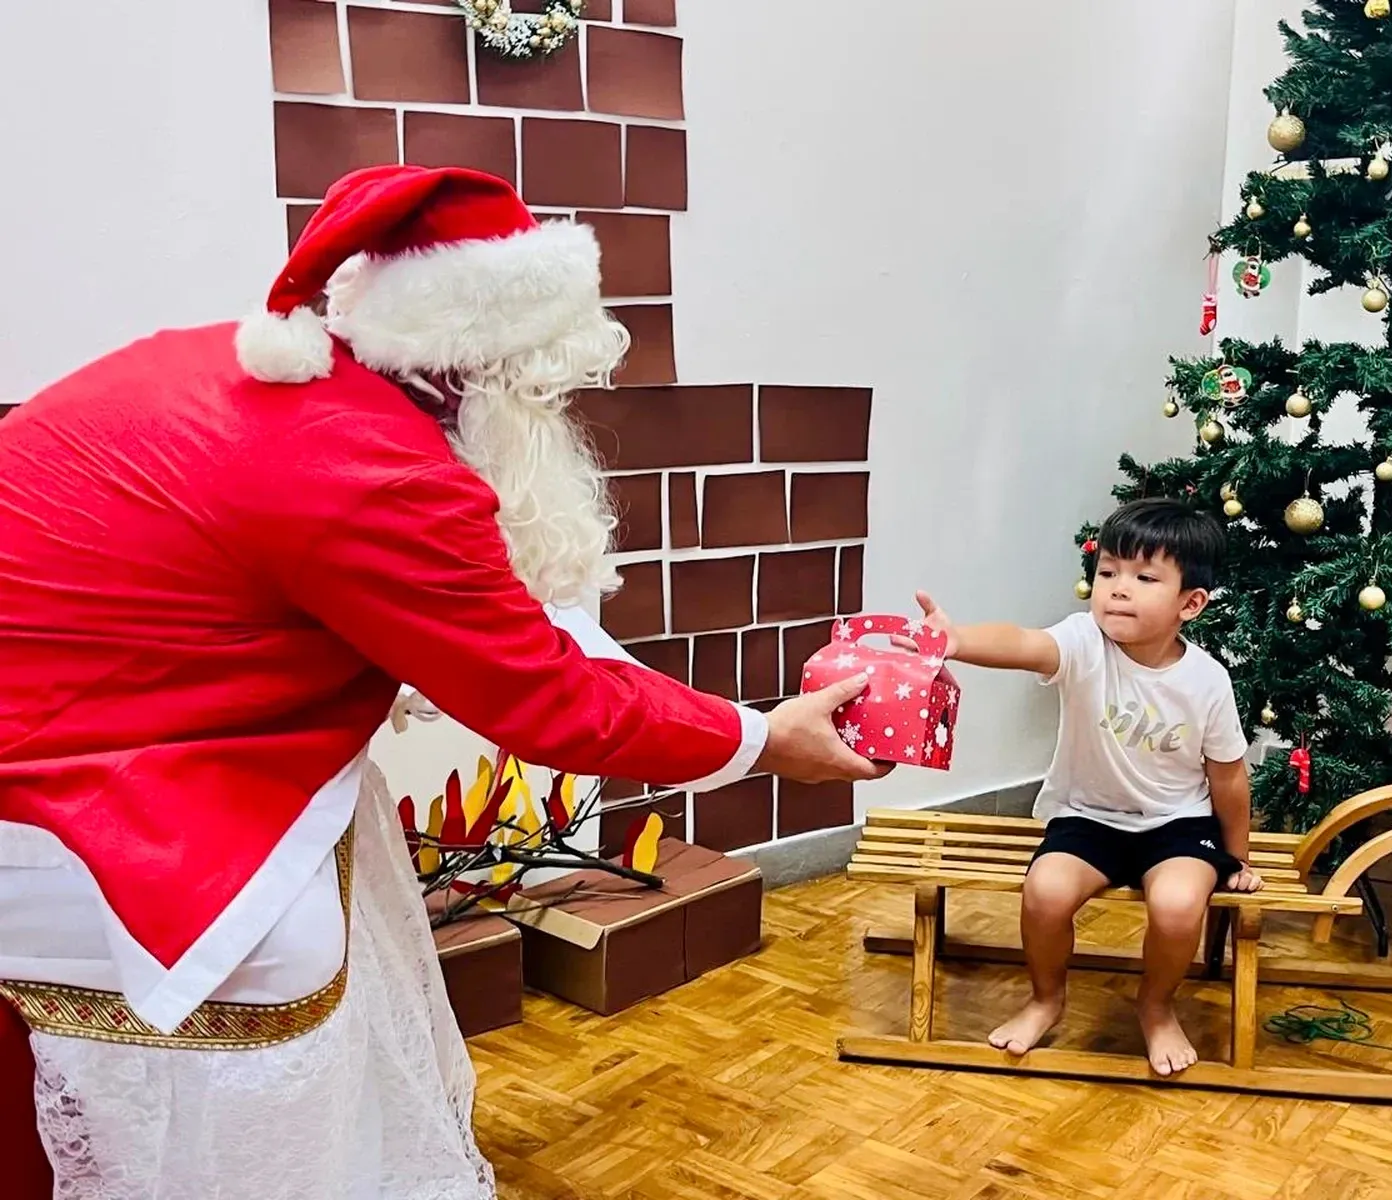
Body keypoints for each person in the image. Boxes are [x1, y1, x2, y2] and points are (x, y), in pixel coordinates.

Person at [0, 164, 885, 1199]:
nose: (557, 420)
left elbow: (516, 626)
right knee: (280, 972)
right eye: (547, 393)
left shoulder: (258, 370)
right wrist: (765, 740)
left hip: (105, 713)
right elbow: (549, 697)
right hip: (87, 793)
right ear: (493, 376)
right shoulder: (373, 468)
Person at [914, 497, 1260, 1076]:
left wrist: (1236, 858)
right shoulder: (1083, 642)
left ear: (1190, 603)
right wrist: (957, 640)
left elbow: (1228, 775)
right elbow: (1023, 644)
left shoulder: (1207, 680)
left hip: (1178, 825)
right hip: (1088, 818)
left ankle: (1155, 1007)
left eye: (1144, 578)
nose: (1118, 589)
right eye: (1108, 572)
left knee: (1177, 906)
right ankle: (1046, 999)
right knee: (1045, 893)